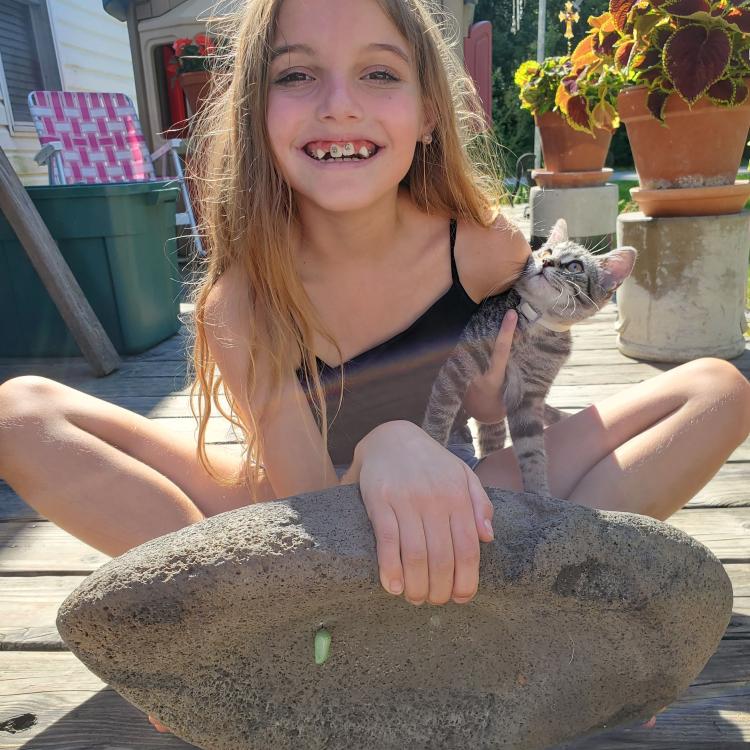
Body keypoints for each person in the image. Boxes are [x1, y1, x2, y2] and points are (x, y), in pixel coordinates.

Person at [1, 0, 748, 738]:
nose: (338, 105)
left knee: (718, 389)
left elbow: (507, 394)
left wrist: (498, 403)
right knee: (20, 413)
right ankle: (219, 626)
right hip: (289, 520)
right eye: (297, 75)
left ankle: (516, 603)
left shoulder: (482, 249)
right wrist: (382, 442)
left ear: (428, 112)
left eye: (378, 73)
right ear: (257, 109)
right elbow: (310, 522)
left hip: (463, 505)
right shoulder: (241, 302)